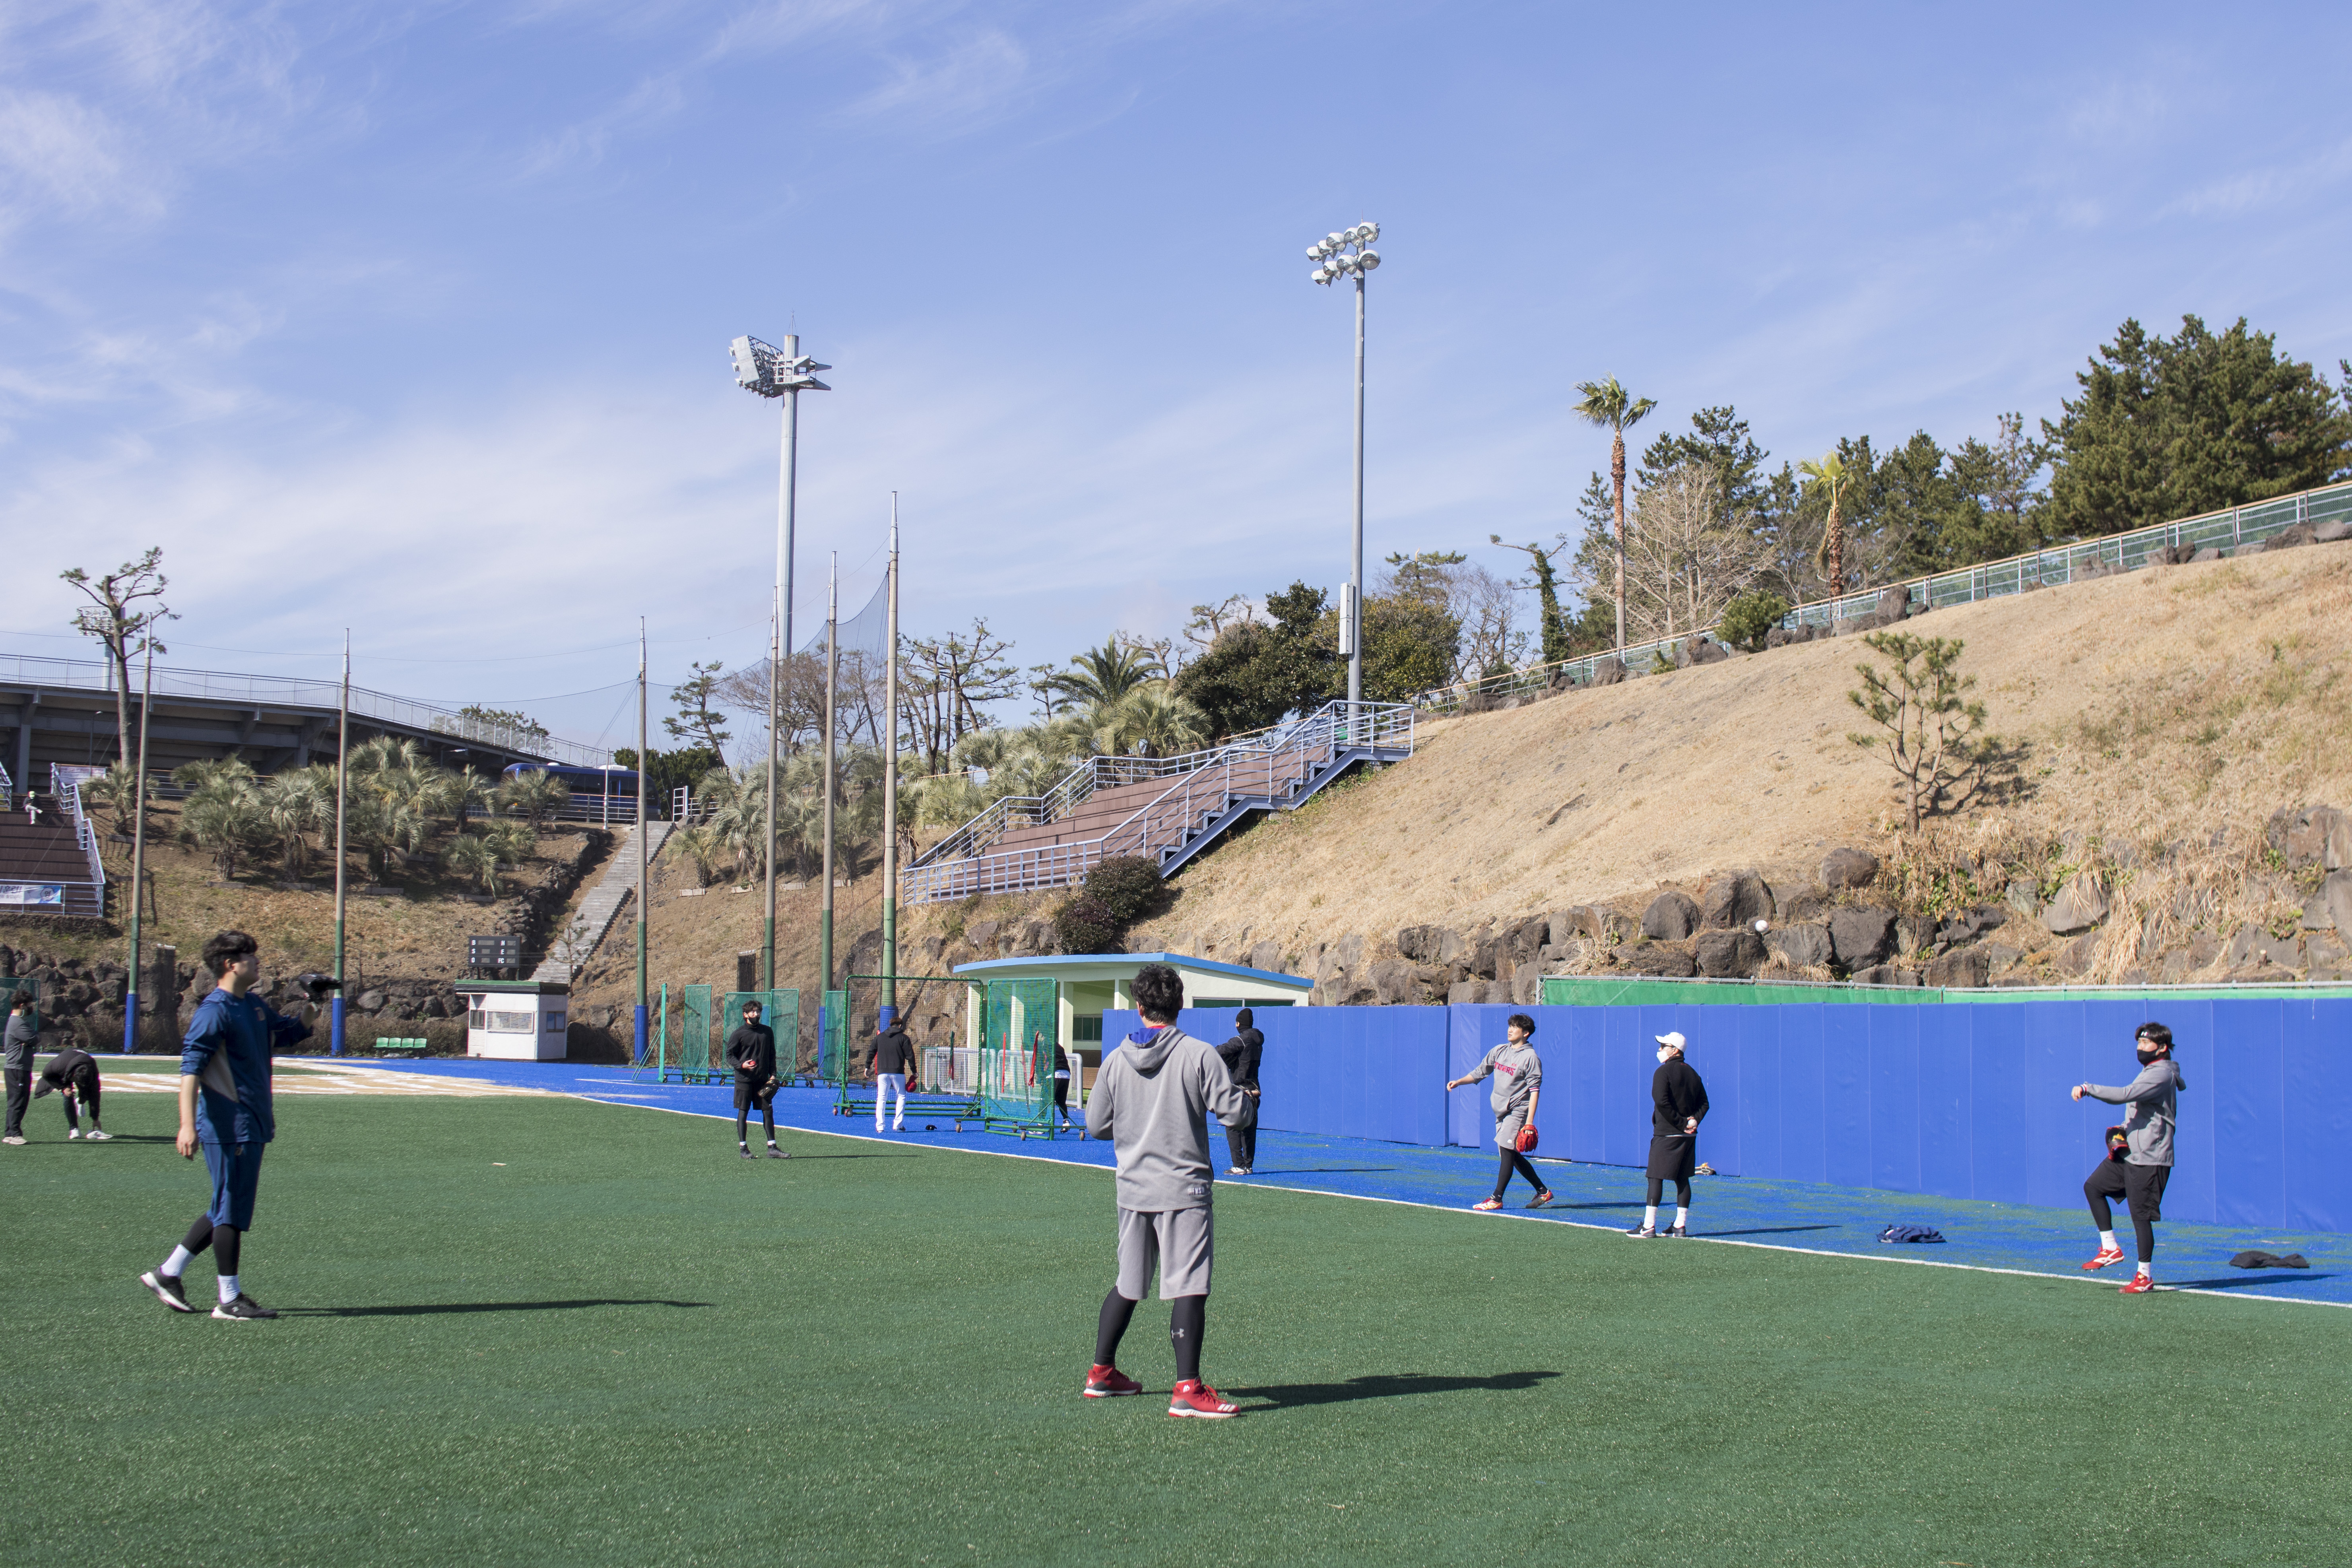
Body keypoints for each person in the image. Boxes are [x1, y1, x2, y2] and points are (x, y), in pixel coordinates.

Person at [1083, 962, 1250, 1418]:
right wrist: (1247, 1098)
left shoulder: (1116, 1059)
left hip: (1133, 1189)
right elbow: (1234, 1114)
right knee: (1189, 1285)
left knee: (1128, 1283)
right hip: (1184, 1190)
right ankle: (1188, 1388)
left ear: (1139, 1007)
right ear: (1180, 1004)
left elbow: (1096, 1125)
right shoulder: (1198, 1054)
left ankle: (1101, 1371)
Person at [138, 930, 311, 1320]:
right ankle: (228, 1299)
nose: (257, 960)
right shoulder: (214, 1010)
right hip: (228, 1125)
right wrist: (187, 1125)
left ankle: (167, 1274)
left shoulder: (253, 1005)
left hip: (252, 1124)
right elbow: (190, 1070)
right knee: (229, 1210)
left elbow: (292, 1032)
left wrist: (314, 1002)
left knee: (224, 1206)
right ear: (231, 963)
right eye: (251, 955)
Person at [2073, 1021, 2185, 1295]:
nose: (2140, 1048)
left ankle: (2144, 1276)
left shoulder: (2161, 1075)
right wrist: (2124, 1129)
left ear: (2162, 1048)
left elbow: (2125, 1095)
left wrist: (2089, 1088)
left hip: (2150, 1158)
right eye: (2138, 1043)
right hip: (2131, 1154)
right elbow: (2141, 1111)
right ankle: (2110, 1248)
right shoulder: (2149, 1071)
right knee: (2094, 1187)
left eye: (2146, 1044)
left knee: (2140, 1217)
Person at [1445, 1013, 1551, 1211]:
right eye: (1510, 1026)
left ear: (1526, 1033)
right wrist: (1460, 1081)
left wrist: (1529, 1123)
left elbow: (1535, 1092)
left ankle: (1496, 1198)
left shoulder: (1530, 1058)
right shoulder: (1500, 1051)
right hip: (1500, 1111)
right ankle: (1543, 1192)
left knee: (1506, 1152)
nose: (1510, 1029)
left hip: (1517, 1111)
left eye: (1516, 1027)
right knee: (1510, 1154)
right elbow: (1480, 1072)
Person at [1629, 1030, 1709, 1238]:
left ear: (1675, 1050)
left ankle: (1648, 1227)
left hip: (1667, 1135)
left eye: (1663, 1046)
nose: (1659, 1050)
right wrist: (1693, 1122)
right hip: (1688, 1137)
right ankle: (1680, 1226)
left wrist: (1682, 1124)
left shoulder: (1662, 1072)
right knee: (1683, 1179)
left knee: (1655, 1177)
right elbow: (1705, 1103)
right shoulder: (1692, 1073)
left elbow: (1661, 1102)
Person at [725, 999, 786, 1159]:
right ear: (745, 1015)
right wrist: (742, 1065)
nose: (756, 1014)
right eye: (752, 1011)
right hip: (744, 1080)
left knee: (768, 1111)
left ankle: (772, 1147)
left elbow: (772, 1054)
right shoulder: (739, 1034)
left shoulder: (767, 1032)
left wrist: (773, 1074)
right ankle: (744, 1149)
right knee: (743, 1112)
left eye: (758, 1011)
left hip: (762, 1080)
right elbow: (729, 1055)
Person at [1213, 1008, 1263, 1175]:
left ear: (1238, 1024)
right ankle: (1248, 1166)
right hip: (1255, 1091)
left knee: (1232, 1126)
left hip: (1240, 1091)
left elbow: (1219, 1051)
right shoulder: (1258, 1041)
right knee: (1249, 1128)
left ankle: (1239, 1166)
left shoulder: (1242, 1040)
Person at [36, 1039, 111, 1140]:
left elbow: (95, 1095)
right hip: (66, 1064)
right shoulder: (59, 1066)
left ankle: (80, 1102)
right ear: (74, 1075)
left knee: (87, 1092)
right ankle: (74, 1129)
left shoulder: (93, 1072)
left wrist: (95, 1118)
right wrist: (64, 1088)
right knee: (68, 1095)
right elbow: (46, 1075)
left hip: (80, 1064)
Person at [871, 1015, 916, 1133]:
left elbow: (871, 1051)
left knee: (881, 1098)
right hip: (898, 1072)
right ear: (900, 1026)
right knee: (901, 1096)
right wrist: (914, 1071)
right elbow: (910, 1056)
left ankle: (880, 1127)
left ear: (890, 1025)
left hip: (882, 1073)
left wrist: (867, 1066)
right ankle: (898, 1125)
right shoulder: (904, 1038)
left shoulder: (880, 1038)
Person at [3, 991, 36, 1145]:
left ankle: (10, 1133)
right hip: (18, 1068)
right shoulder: (18, 1022)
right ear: (22, 1005)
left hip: (16, 1067)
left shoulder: (16, 1022)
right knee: (19, 1101)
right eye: (29, 1005)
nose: (30, 1008)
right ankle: (15, 1134)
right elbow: (34, 1038)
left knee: (15, 1101)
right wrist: (31, 1040)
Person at [1053, 1040, 1077, 1128]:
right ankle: (1066, 1121)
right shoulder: (1060, 1047)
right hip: (1066, 1075)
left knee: (1047, 1100)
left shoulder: (1047, 1046)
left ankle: (1041, 1124)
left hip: (1057, 1074)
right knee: (1061, 1101)